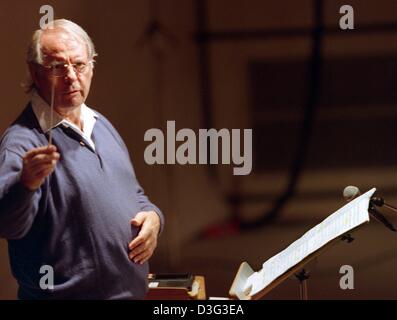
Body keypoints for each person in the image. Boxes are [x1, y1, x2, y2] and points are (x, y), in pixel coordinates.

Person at [0, 19, 164, 299]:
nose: (71, 77)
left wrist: (154, 218)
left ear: (92, 65)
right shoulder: (23, 142)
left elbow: (133, 193)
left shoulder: (100, 124)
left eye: (79, 65)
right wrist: (25, 183)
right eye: (57, 67)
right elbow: (7, 224)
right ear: (35, 72)